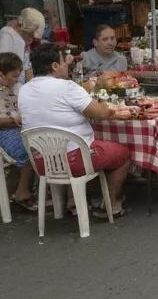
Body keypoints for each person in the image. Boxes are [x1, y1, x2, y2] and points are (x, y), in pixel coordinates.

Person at [19, 43, 130, 219]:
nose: (67, 65)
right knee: (123, 154)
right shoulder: (67, 87)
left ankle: (78, 201)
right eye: (64, 62)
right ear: (55, 66)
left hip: (42, 162)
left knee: (82, 145)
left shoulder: (24, 90)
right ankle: (111, 204)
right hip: (74, 160)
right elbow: (100, 113)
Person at [0, 52, 34, 211]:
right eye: (14, 76)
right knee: (29, 150)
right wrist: (14, 120)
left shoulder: (14, 88)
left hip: (17, 129)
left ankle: (26, 189)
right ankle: (23, 192)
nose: (16, 80)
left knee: (39, 143)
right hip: (4, 132)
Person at [0, 8, 44, 84]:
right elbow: (3, 65)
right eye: (30, 34)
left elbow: (26, 68)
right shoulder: (7, 35)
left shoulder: (24, 41)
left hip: (19, 86)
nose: (32, 39)